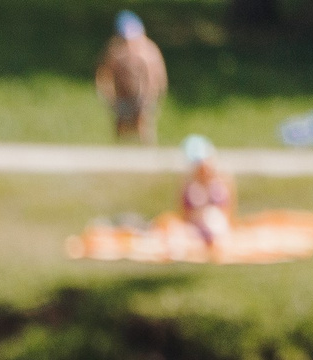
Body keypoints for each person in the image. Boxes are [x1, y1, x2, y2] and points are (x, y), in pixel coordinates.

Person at [96, 11, 167, 143]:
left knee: (143, 123)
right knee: (121, 123)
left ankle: (148, 151)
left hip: (145, 97)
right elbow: (104, 74)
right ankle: (119, 151)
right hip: (122, 97)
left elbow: (158, 76)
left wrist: (155, 95)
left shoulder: (149, 51)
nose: (130, 44)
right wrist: (107, 94)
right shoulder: (115, 51)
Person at [179, 134, 236, 249]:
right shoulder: (190, 184)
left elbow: (229, 206)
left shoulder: (222, 180)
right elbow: (184, 211)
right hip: (197, 225)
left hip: (216, 224)